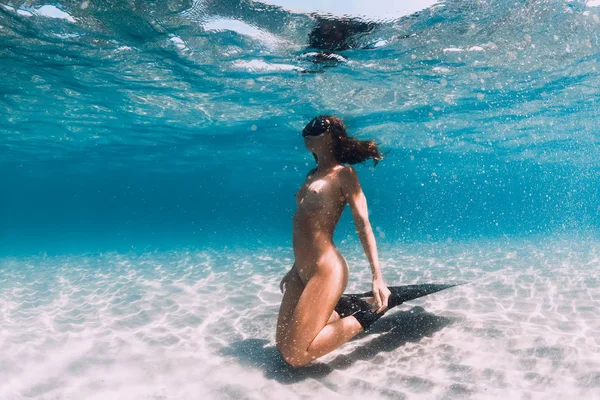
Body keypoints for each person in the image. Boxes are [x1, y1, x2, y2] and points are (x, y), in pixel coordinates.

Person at [276, 115, 390, 367]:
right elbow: (305, 225)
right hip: (301, 269)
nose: (308, 132)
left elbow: (363, 225)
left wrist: (377, 276)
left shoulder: (345, 175)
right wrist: (295, 267)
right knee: (282, 345)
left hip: (325, 270)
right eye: (306, 127)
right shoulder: (311, 175)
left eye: (317, 127)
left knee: (296, 357)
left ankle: (371, 312)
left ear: (333, 136)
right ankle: (341, 308)